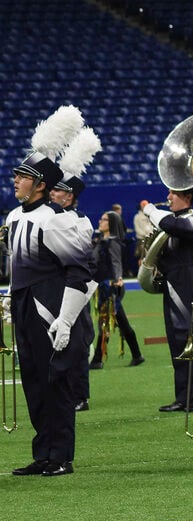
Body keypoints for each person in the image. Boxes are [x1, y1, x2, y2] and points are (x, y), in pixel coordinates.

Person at [7, 105, 94, 476]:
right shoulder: (13, 217)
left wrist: (65, 320)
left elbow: (81, 272)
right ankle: (43, 452)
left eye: (23, 176)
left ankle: (60, 456)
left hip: (50, 310)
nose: (15, 180)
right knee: (33, 382)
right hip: (25, 307)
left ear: (41, 184)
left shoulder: (55, 220)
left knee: (56, 384)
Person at [142, 187, 193, 413]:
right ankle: (183, 397)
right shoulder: (173, 222)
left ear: (187, 197)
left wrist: (151, 211)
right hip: (173, 291)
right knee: (177, 344)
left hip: (191, 290)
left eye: (173, 194)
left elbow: (176, 227)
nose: (169, 198)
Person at [50, 126, 102, 412]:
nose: (51, 194)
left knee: (78, 342)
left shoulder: (80, 221)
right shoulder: (53, 219)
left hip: (77, 289)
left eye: (57, 191)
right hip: (57, 289)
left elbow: (83, 263)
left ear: (69, 197)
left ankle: (80, 395)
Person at [89, 211, 144, 369]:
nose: (100, 221)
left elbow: (116, 262)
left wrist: (118, 279)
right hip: (102, 286)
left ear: (111, 224)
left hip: (109, 286)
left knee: (105, 321)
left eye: (104, 219)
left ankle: (98, 359)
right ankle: (137, 354)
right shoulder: (101, 240)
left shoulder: (112, 242)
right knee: (120, 321)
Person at [133, 199, 154, 266]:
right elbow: (137, 228)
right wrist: (144, 234)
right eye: (143, 205)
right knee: (141, 256)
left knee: (150, 256)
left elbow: (152, 226)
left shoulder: (150, 216)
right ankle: (141, 272)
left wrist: (150, 233)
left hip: (150, 239)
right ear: (140, 206)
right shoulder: (137, 217)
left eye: (146, 205)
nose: (144, 207)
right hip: (141, 240)